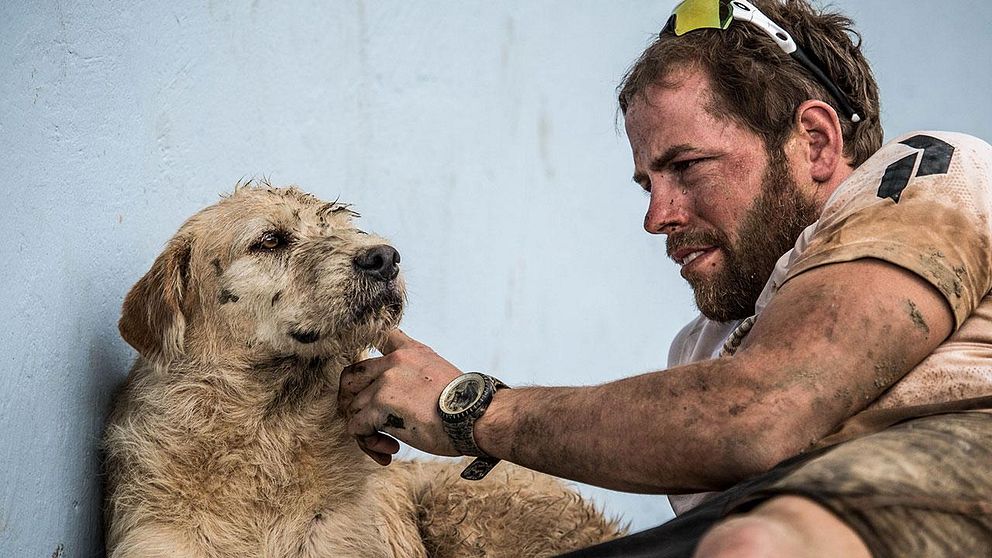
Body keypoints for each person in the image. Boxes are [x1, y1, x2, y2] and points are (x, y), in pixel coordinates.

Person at [338, 0, 992, 555]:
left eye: (687, 166)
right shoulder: (701, 350)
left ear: (817, 143)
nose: (657, 216)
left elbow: (757, 411)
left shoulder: (927, 174)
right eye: (647, 182)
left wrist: (470, 409)